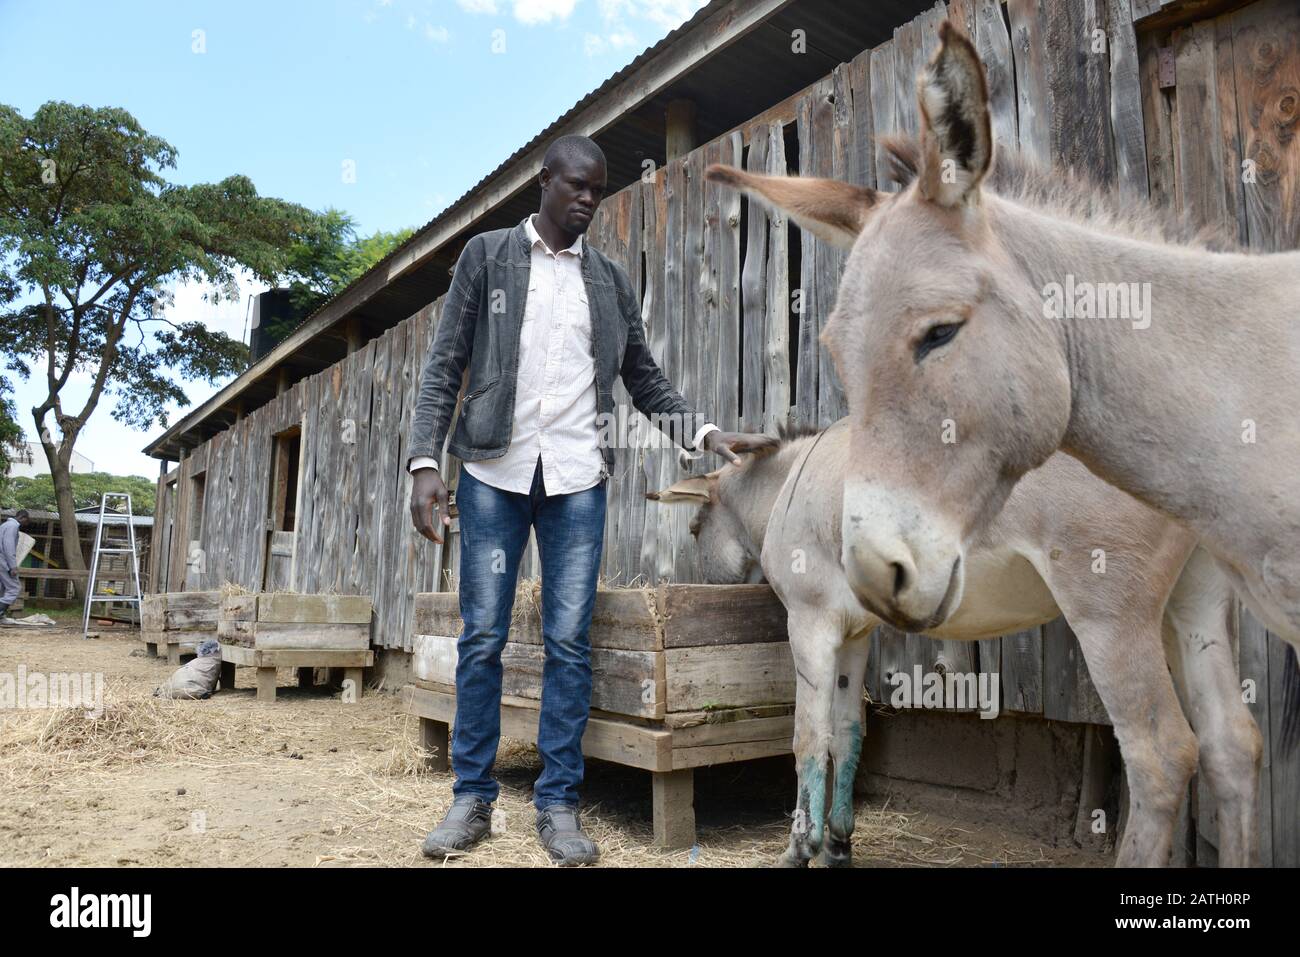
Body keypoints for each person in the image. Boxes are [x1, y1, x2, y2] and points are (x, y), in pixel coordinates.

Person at [407, 134, 777, 864]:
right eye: (575, 185)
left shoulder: (606, 279)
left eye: (598, 190)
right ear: (542, 183)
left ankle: (558, 803)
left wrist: (702, 432)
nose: (587, 199)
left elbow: (643, 376)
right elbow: (444, 363)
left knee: (569, 645)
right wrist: (425, 462)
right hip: (490, 475)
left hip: (577, 481)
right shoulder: (486, 258)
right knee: (482, 636)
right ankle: (471, 796)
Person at [0, 510, 29, 620]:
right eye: (26, 521)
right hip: (4, 562)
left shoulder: (4, 525)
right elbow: (9, 547)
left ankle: (1, 616)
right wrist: (13, 566)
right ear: (23, 517)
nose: (25, 524)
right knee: (14, 588)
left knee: (2, 589)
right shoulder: (13, 526)